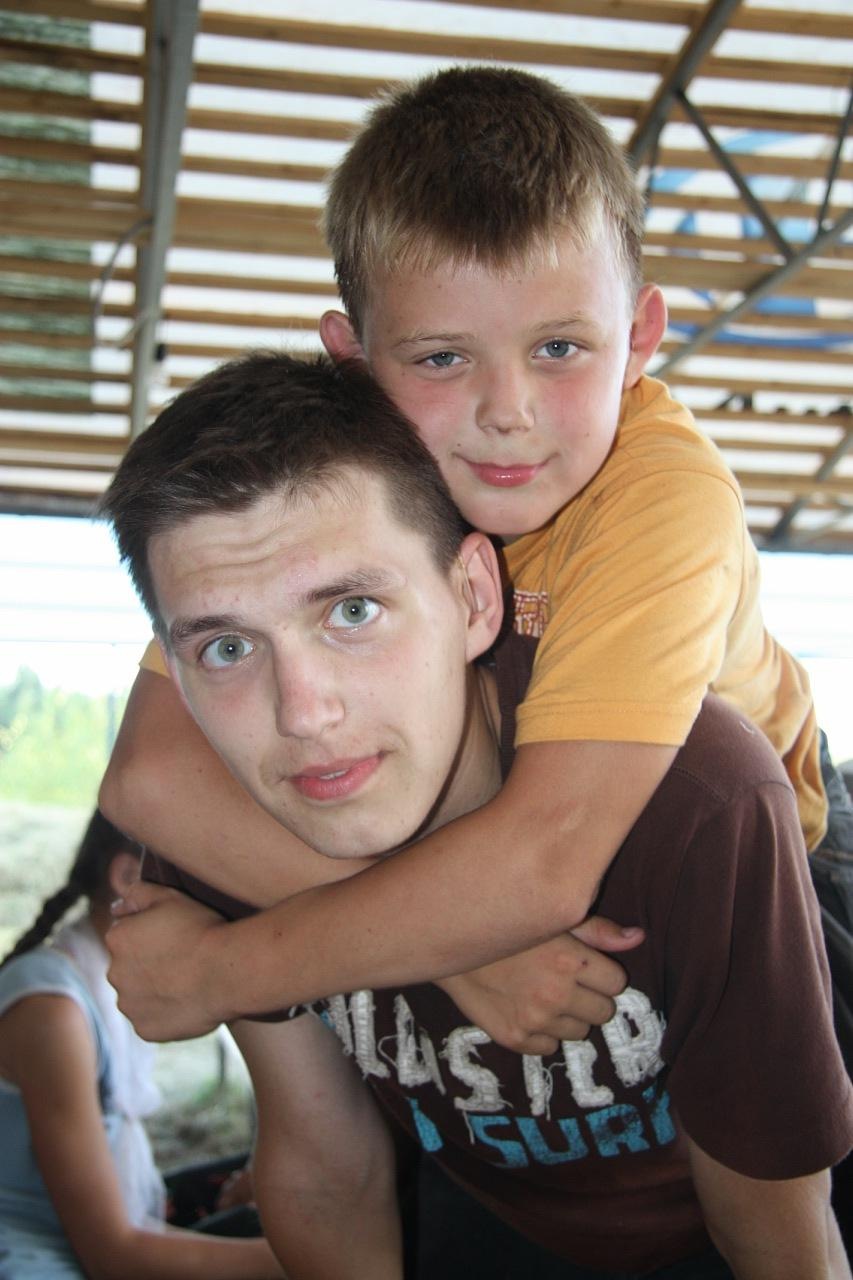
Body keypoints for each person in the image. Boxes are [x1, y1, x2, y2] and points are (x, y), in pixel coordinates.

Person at [98, 65, 853, 1064]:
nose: (507, 412)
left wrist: (224, 970)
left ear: (638, 340)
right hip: (526, 863)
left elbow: (542, 861)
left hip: (769, 872)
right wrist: (463, 957)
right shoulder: (357, 487)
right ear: (353, 363)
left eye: (559, 348)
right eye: (442, 359)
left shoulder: (663, 496)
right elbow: (151, 773)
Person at [100, 352, 853, 1279]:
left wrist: (224, 969)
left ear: (473, 598)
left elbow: (778, 1237)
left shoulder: (692, 802)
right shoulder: (226, 831)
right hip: (496, 1215)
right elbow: (327, 1166)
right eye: (225, 647)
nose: (303, 715)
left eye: (353, 611)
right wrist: (456, 945)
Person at [0, 808, 284, 1280]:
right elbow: (113, 1257)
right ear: (128, 878)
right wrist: (311, 1260)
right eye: (211, 878)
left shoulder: (100, 980)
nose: (232, 902)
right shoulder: (53, 1014)